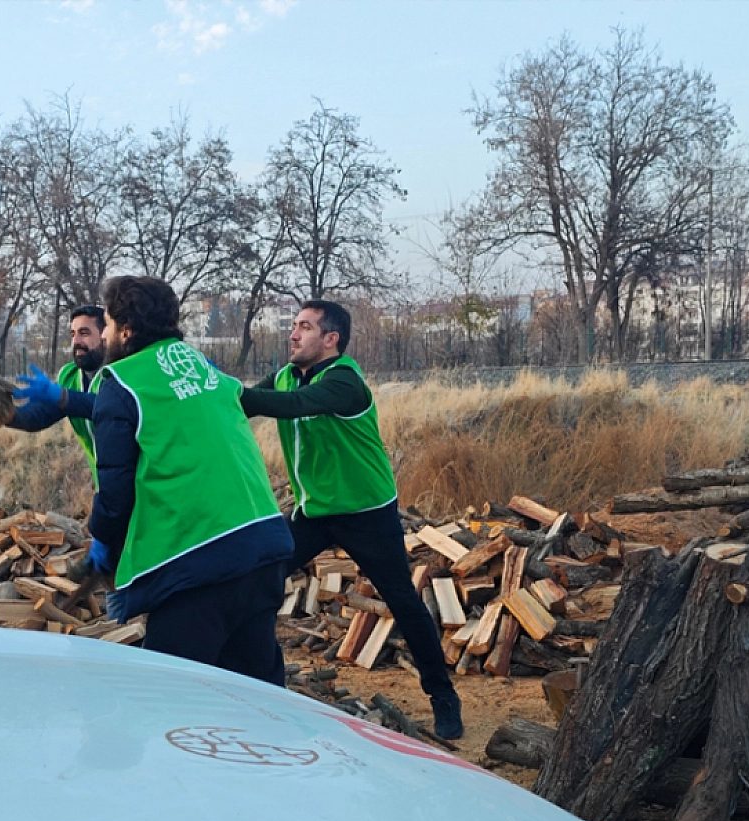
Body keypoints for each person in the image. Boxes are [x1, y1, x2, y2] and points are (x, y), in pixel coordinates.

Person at [239, 300, 465, 739]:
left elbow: (294, 405)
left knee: (403, 603)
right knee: (258, 583)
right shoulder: (287, 375)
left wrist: (225, 389)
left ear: (331, 339)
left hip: (367, 513)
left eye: (304, 327)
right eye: (293, 326)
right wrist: (207, 393)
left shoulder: (343, 379)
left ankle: (444, 698)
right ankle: (264, 685)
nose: (293, 333)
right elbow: (250, 404)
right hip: (315, 513)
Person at [85, 275, 293, 685]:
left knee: (170, 697)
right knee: (258, 695)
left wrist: (103, 539)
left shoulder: (121, 383)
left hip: (198, 563)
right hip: (264, 547)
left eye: (107, 324)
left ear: (126, 330)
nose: (104, 335)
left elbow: (115, 493)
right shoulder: (205, 370)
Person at [6, 305, 106, 479]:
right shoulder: (69, 376)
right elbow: (39, 416)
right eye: (73, 334)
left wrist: (63, 396)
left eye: (84, 333)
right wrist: (0, 410)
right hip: (105, 488)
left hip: (142, 490)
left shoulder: (122, 373)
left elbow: (109, 408)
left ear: (105, 336)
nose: (76, 342)